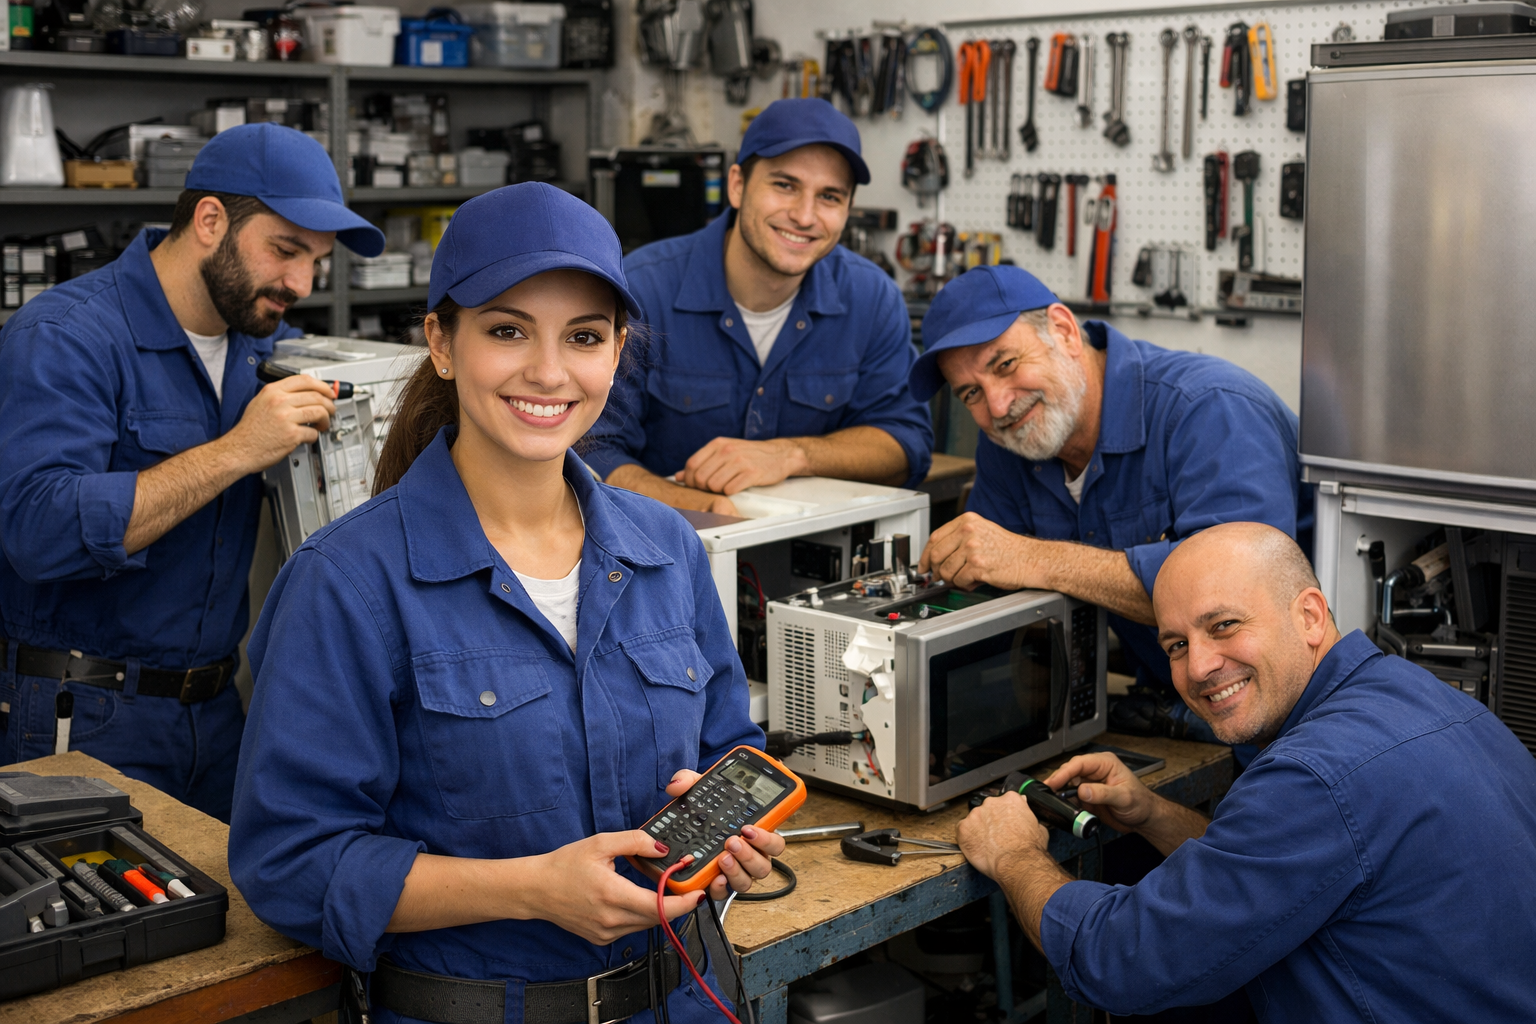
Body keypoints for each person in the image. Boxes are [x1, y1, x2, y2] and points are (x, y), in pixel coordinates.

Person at [229, 183, 783, 1024]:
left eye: (585, 337)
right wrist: (529, 890)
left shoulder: (665, 547)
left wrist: (730, 829)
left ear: (617, 350)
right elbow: (293, 862)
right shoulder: (347, 581)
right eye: (507, 330)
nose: (550, 372)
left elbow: (728, 744)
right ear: (442, 344)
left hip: (684, 1000)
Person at [957, 522, 1536, 1021]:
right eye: (1176, 644)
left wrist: (1013, 855)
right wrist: (1153, 815)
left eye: (1225, 625)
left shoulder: (1315, 775)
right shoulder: (1416, 694)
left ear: (1309, 615)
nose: (1200, 666)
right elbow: (1292, 876)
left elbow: (1119, 960)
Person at [0, 123, 383, 821]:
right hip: (82, 714)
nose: (300, 283)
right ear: (209, 221)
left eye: (317, 263)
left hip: (219, 714)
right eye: (285, 250)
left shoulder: (268, 350)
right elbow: (38, 530)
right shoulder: (66, 336)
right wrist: (239, 447)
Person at [911, 266, 1307, 749]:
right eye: (970, 392)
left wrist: (1030, 558)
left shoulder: (1210, 408)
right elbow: (1000, 598)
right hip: (1170, 705)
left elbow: (1233, 605)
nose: (996, 406)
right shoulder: (1010, 443)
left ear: (1063, 330)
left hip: (1292, 721)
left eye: (1006, 364)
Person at [584, 98, 933, 515]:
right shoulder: (641, 291)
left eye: (829, 196)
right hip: (663, 553)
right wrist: (701, 511)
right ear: (736, 185)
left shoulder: (872, 297)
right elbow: (590, 448)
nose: (805, 216)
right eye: (784, 185)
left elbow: (906, 444)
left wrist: (792, 455)